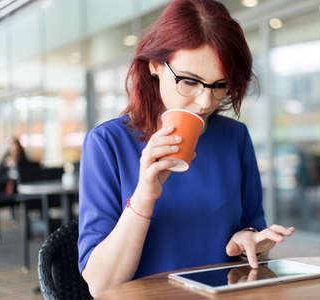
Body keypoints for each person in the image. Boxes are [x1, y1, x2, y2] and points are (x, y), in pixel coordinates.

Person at [78, 0, 295, 296]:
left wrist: (249, 243)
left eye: (220, 85)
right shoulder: (107, 144)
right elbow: (101, 285)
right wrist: (144, 196)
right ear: (155, 66)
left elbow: (251, 234)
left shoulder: (234, 138)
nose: (206, 101)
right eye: (190, 82)